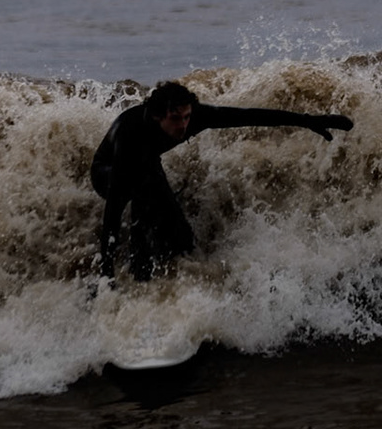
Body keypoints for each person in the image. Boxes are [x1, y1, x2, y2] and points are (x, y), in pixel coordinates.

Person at [91, 80, 353, 281]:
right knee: (144, 194)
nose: (183, 125)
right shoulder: (130, 133)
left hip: (148, 166)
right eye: (175, 119)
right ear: (157, 115)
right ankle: (138, 271)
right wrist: (106, 272)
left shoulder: (194, 118)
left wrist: (308, 121)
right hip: (108, 172)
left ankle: (168, 259)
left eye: (186, 117)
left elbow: (249, 116)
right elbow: (113, 208)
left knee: (181, 237)